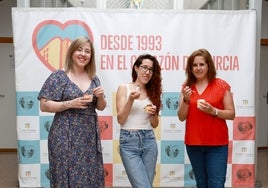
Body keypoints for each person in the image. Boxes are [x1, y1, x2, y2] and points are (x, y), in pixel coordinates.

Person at [38, 36, 106, 187]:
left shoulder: (94, 78)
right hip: (64, 135)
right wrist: (71, 103)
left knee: (90, 174)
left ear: (91, 56)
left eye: (87, 51)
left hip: (88, 136)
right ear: (72, 52)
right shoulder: (59, 76)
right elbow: (44, 105)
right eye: (79, 49)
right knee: (64, 174)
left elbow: (100, 106)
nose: (83, 54)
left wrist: (100, 96)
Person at [177, 48, 235, 188]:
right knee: (201, 184)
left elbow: (231, 114)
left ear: (209, 65)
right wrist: (186, 100)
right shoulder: (187, 87)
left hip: (217, 145)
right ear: (190, 68)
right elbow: (181, 117)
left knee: (216, 184)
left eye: (201, 64)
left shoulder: (221, 85)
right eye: (194, 65)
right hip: (194, 144)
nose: (198, 68)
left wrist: (213, 111)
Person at [116, 54, 162, 188]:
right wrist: (131, 100)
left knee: (147, 184)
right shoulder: (124, 88)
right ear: (136, 68)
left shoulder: (153, 92)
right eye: (144, 68)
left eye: (151, 70)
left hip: (149, 141)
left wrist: (153, 114)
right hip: (129, 142)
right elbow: (121, 119)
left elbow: (154, 124)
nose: (147, 72)